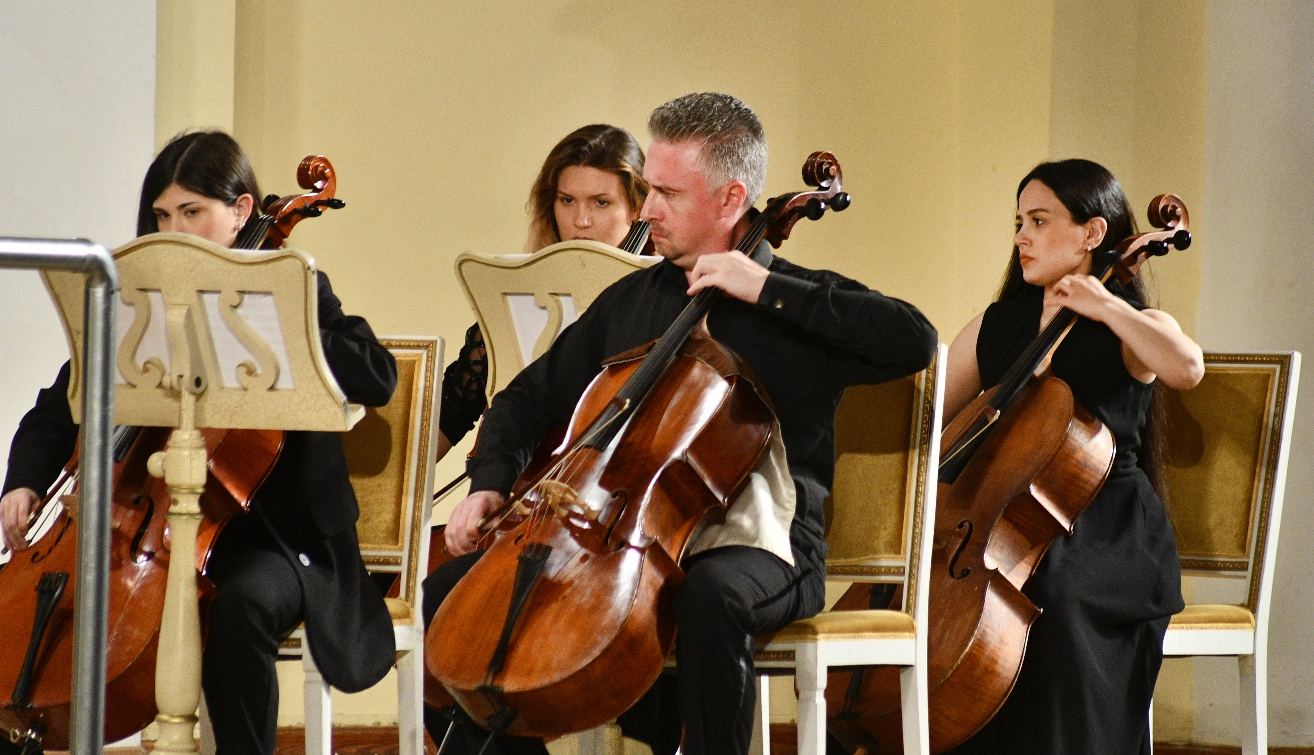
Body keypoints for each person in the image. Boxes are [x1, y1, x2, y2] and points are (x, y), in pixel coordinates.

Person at [424, 92, 937, 755]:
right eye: (648, 190)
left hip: (766, 547)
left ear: (730, 199)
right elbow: (527, 398)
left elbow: (913, 339)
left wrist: (763, 288)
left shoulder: (794, 304)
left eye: (666, 192)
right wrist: (489, 483)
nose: (646, 210)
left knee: (712, 594)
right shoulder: (633, 298)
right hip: (623, 536)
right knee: (454, 595)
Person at [0, 131, 398, 754]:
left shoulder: (294, 289)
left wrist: (289, 321)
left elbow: (376, 373)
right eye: (162, 215)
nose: (174, 231)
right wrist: (22, 482)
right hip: (150, 532)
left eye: (192, 213)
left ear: (241, 212)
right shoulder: (135, 301)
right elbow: (56, 413)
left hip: (274, 538)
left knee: (240, 605)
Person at [941, 159, 1203, 754]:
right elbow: (932, 415)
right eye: (1018, 222)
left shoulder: (1133, 324)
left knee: (1046, 597)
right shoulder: (999, 322)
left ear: (1092, 233)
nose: (1021, 237)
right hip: (1006, 517)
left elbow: (1187, 369)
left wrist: (1106, 306)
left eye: (1038, 220)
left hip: (1108, 531)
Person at [437, 124, 649, 459]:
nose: (581, 220)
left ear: (637, 207)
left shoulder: (664, 297)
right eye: (567, 200)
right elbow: (455, 405)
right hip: (523, 490)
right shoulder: (524, 295)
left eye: (601, 202)